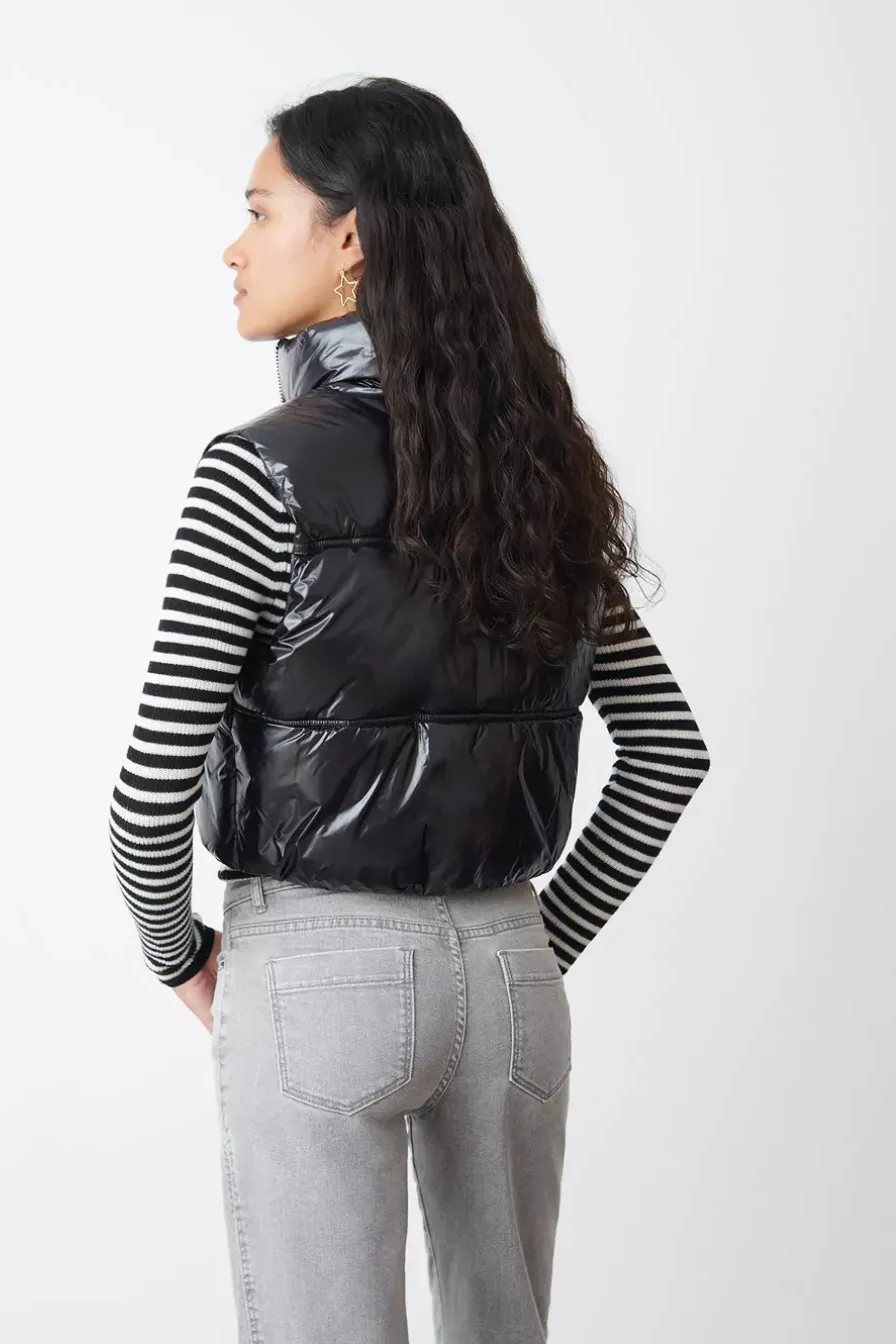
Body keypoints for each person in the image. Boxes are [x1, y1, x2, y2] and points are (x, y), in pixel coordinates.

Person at [108, 76, 711, 1344]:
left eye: (259, 211)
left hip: (314, 969)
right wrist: (532, 942)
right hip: (508, 976)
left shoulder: (255, 473)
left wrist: (179, 956)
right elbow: (667, 752)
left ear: (351, 239)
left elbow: (151, 784)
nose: (232, 247)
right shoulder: (533, 472)